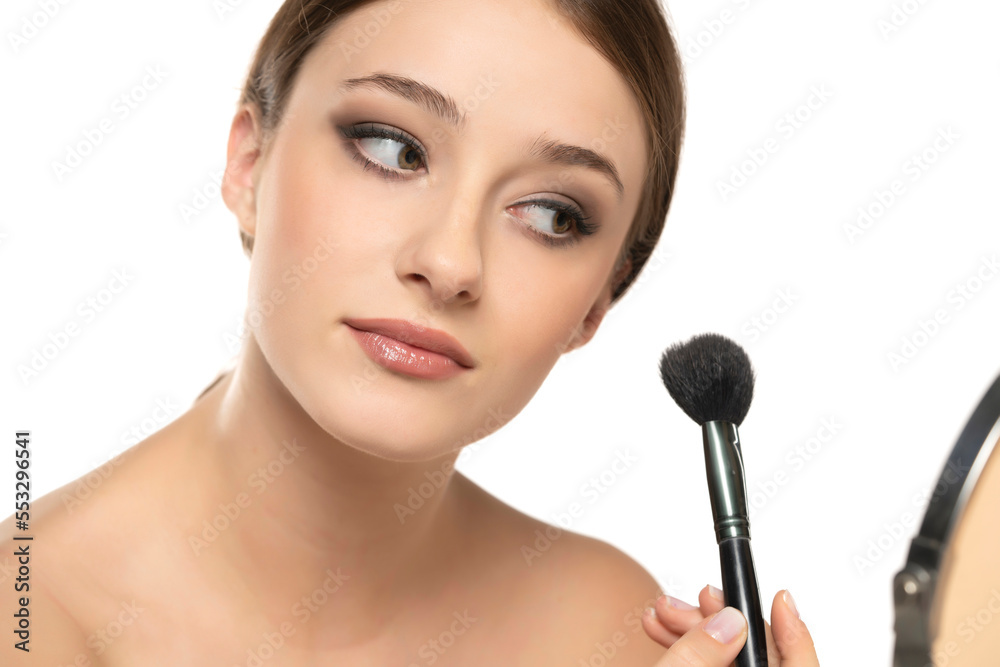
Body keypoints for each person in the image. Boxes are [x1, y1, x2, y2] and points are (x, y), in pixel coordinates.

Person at [2, 0, 819, 664]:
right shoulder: (29, 615)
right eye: (393, 149)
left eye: (550, 214)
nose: (450, 262)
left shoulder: (608, 630)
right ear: (249, 163)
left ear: (597, 304)